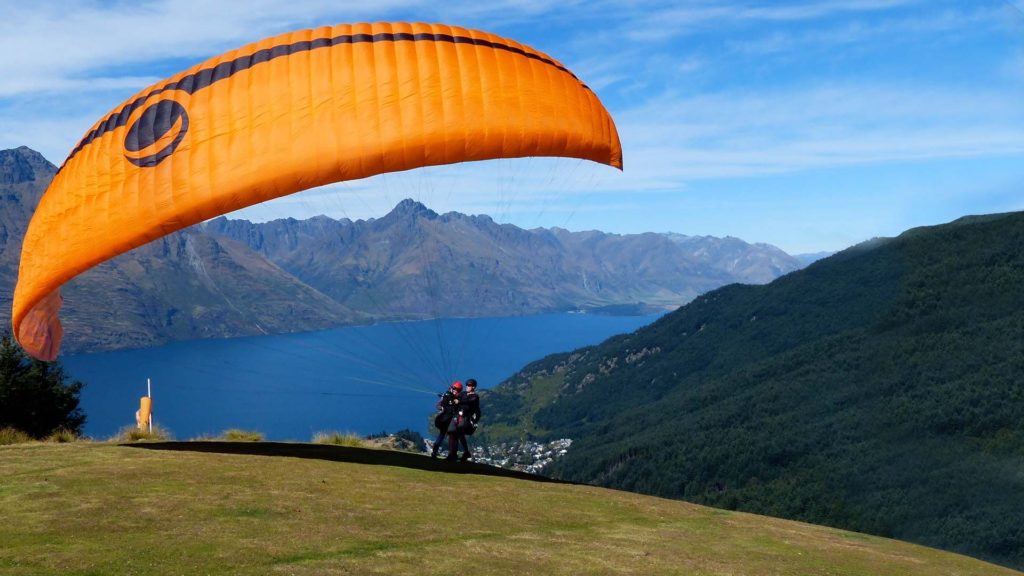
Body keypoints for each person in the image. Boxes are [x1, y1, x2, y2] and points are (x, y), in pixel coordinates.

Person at [430, 381, 462, 458]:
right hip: (446, 420)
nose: (456, 391)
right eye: (455, 389)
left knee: (443, 435)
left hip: (443, 420)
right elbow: (443, 406)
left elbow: (438, 406)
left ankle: (435, 451)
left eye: (458, 390)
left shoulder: (447, 396)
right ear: (452, 388)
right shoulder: (450, 397)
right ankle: (452, 454)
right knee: (453, 436)